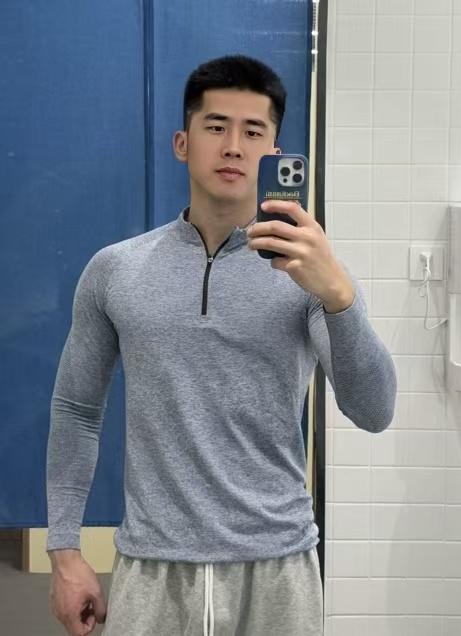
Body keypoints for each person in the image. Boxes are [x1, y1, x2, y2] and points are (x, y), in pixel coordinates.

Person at [46, 54, 397, 636]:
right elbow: (77, 411)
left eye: (253, 132)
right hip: (152, 568)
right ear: (183, 143)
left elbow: (375, 411)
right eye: (216, 126)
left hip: (278, 567)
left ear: (275, 153)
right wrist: (64, 550)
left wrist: (339, 295)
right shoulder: (115, 270)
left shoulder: (310, 273)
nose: (233, 147)